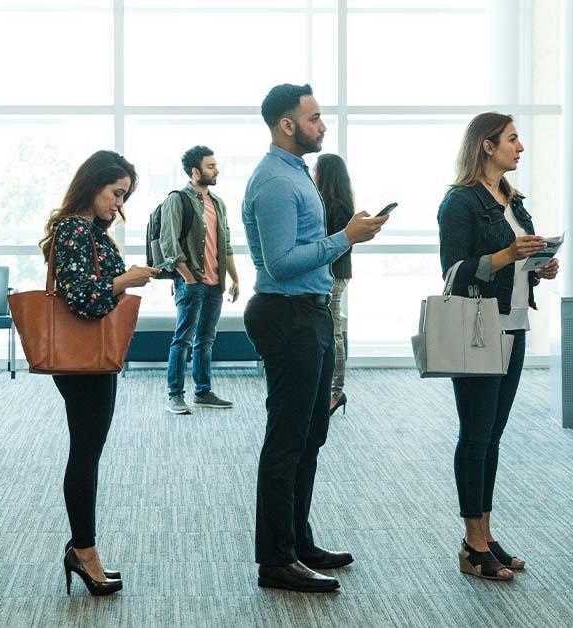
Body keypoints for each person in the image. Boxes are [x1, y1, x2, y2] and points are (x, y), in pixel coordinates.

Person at [242, 84, 387, 593]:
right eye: (315, 117)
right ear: (288, 125)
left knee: (310, 437)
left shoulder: (296, 173)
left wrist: (343, 235)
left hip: (311, 313)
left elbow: (303, 250)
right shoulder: (276, 182)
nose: (323, 125)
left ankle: (298, 542)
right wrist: (345, 238)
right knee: (286, 441)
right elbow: (280, 264)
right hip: (287, 315)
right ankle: (275, 560)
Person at [439, 112, 559, 582]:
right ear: (487, 146)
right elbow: (452, 271)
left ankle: (486, 534)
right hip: (478, 324)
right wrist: (511, 254)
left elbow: (518, 260)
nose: (521, 148)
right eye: (512, 139)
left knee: (493, 435)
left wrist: (539, 265)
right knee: (475, 433)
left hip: (514, 323)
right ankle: (471, 542)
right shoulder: (460, 202)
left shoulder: (512, 199)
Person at [39, 150, 159, 596]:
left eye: (124, 195)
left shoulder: (87, 231)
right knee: (85, 455)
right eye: (116, 193)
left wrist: (126, 276)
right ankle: (84, 552)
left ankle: (84, 548)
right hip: (82, 361)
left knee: (88, 452)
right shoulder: (74, 229)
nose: (119, 204)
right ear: (93, 185)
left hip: (91, 359)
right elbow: (83, 298)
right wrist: (124, 281)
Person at [158, 145, 241, 415]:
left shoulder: (218, 203)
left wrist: (234, 278)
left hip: (215, 284)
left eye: (215, 165)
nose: (216, 170)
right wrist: (187, 277)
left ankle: (203, 391)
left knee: (205, 339)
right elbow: (169, 244)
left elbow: (225, 243)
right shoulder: (178, 199)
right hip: (191, 282)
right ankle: (175, 395)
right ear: (195, 172)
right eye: (210, 166)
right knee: (182, 339)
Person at [314, 153, 354, 416]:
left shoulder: (336, 206)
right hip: (331, 273)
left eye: (316, 170)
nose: (313, 174)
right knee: (330, 329)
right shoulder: (329, 202)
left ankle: (336, 393)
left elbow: (338, 245)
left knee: (334, 331)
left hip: (334, 274)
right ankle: (331, 390)